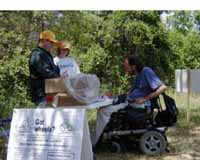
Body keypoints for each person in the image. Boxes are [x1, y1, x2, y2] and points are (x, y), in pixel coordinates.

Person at [92, 54, 167, 147]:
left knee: (103, 111)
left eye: (127, 67)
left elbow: (163, 87)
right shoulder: (137, 76)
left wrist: (145, 98)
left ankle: (95, 142)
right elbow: (130, 94)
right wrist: (114, 97)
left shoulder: (146, 71)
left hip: (139, 106)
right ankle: (99, 137)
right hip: (130, 102)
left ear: (134, 66)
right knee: (104, 107)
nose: (126, 70)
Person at [29, 30, 60, 106]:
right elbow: (44, 71)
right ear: (44, 41)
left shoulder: (47, 55)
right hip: (41, 93)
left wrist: (59, 74)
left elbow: (53, 70)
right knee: (42, 115)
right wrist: (58, 76)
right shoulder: (37, 54)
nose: (52, 45)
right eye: (51, 42)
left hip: (50, 92)